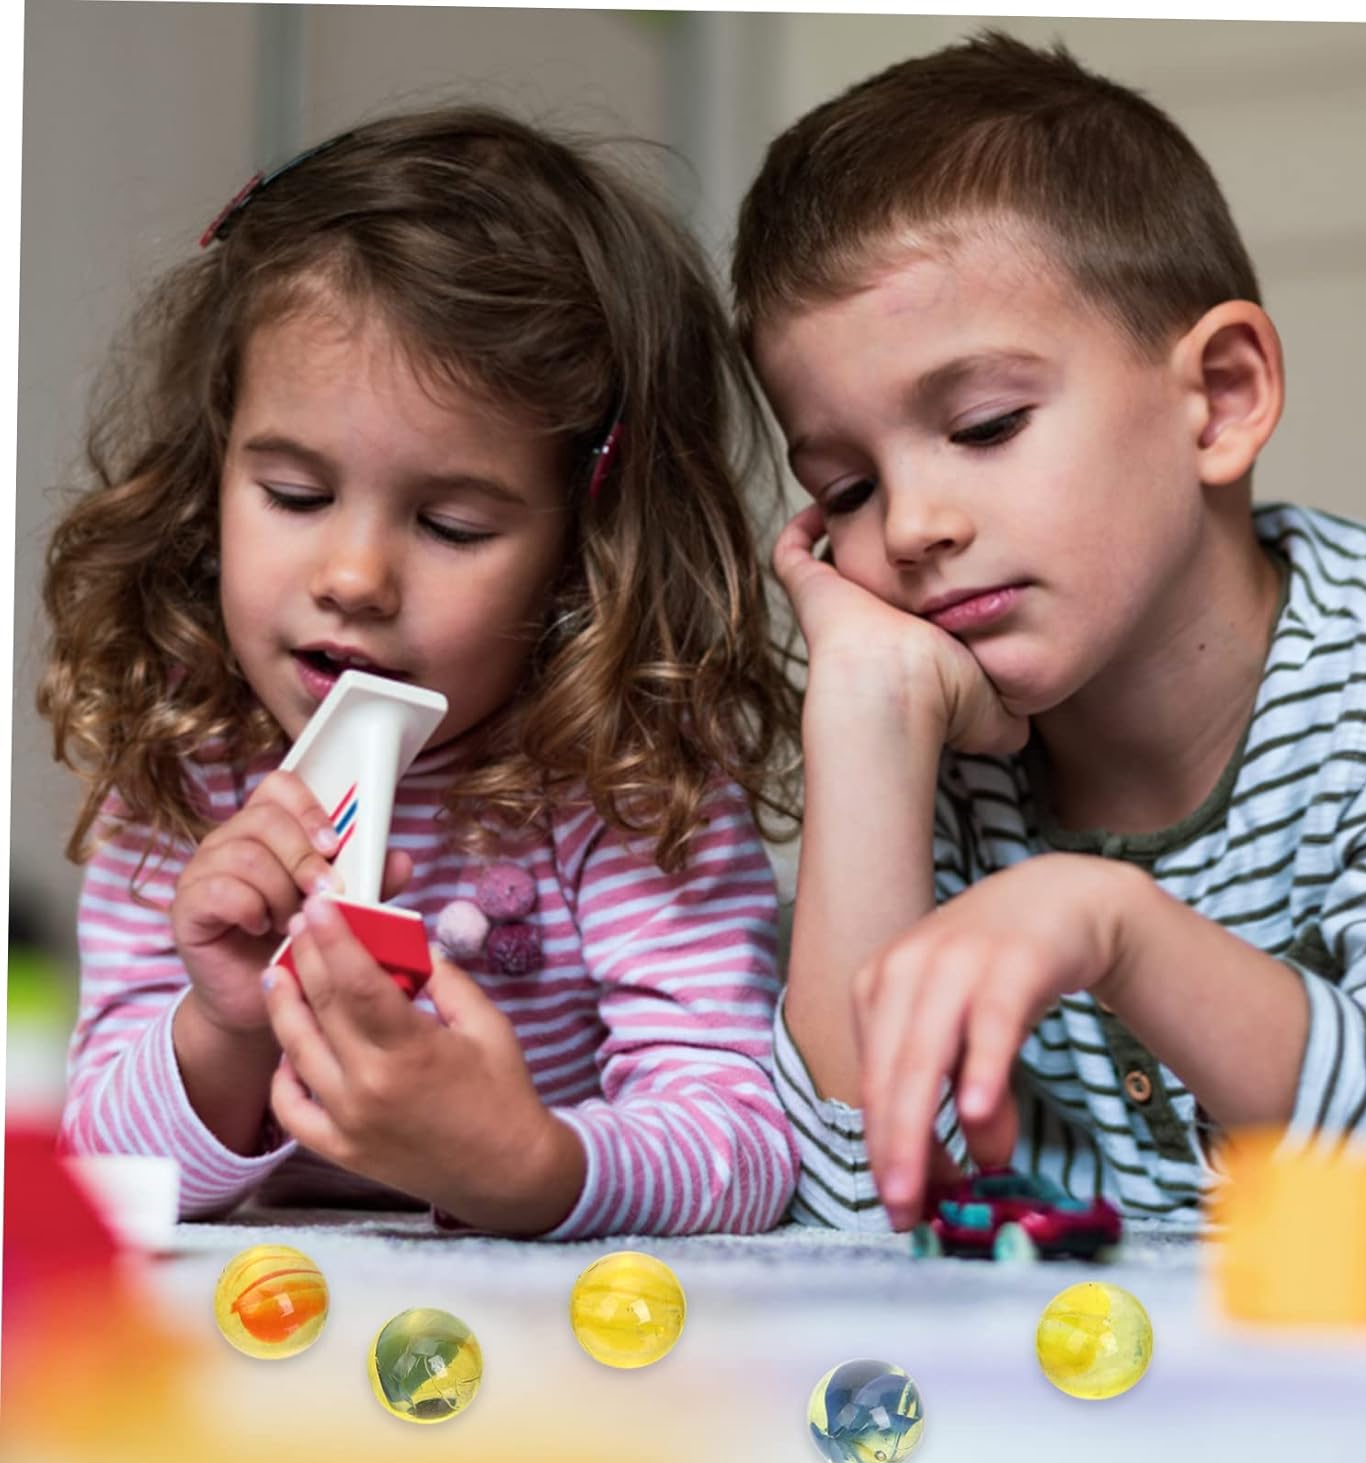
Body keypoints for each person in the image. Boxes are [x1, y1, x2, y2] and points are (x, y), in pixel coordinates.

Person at [729, 31, 1366, 1231]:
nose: (913, 526)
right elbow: (855, 1216)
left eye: (985, 426)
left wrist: (1119, 932)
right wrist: (867, 719)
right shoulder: (931, 739)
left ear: (1220, 398)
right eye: (849, 489)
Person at [42, 106, 803, 1238]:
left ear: (582, 553)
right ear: (212, 478)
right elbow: (105, 1179)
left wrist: (530, 1168)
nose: (353, 577)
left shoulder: (632, 785)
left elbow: (744, 1143)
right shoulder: (186, 763)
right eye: (295, 496)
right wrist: (226, 1026)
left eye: (451, 525)